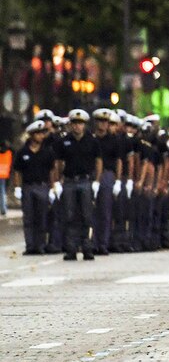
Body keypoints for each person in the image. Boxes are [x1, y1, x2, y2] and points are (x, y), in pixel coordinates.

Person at [53, 108, 102, 261]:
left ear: (85, 125)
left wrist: (97, 181)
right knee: (69, 216)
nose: (77, 126)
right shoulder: (64, 141)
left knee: (87, 216)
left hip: (85, 180)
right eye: (74, 123)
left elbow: (98, 161)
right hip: (69, 181)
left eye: (80, 123)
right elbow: (59, 162)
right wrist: (58, 180)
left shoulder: (92, 141)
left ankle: (87, 247)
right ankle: (71, 248)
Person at [14, 120, 56, 254]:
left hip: (42, 186)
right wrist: (17, 187)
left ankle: (40, 245)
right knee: (28, 218)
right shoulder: (23, 152)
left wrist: (53, 187)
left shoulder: (47, 152)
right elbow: (17, 171)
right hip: (28, 187)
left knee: (42, 217)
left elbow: (52, 170)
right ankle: (30, 246)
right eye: (37, 134)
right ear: (31, 135)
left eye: (41, 133)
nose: (40, 136)